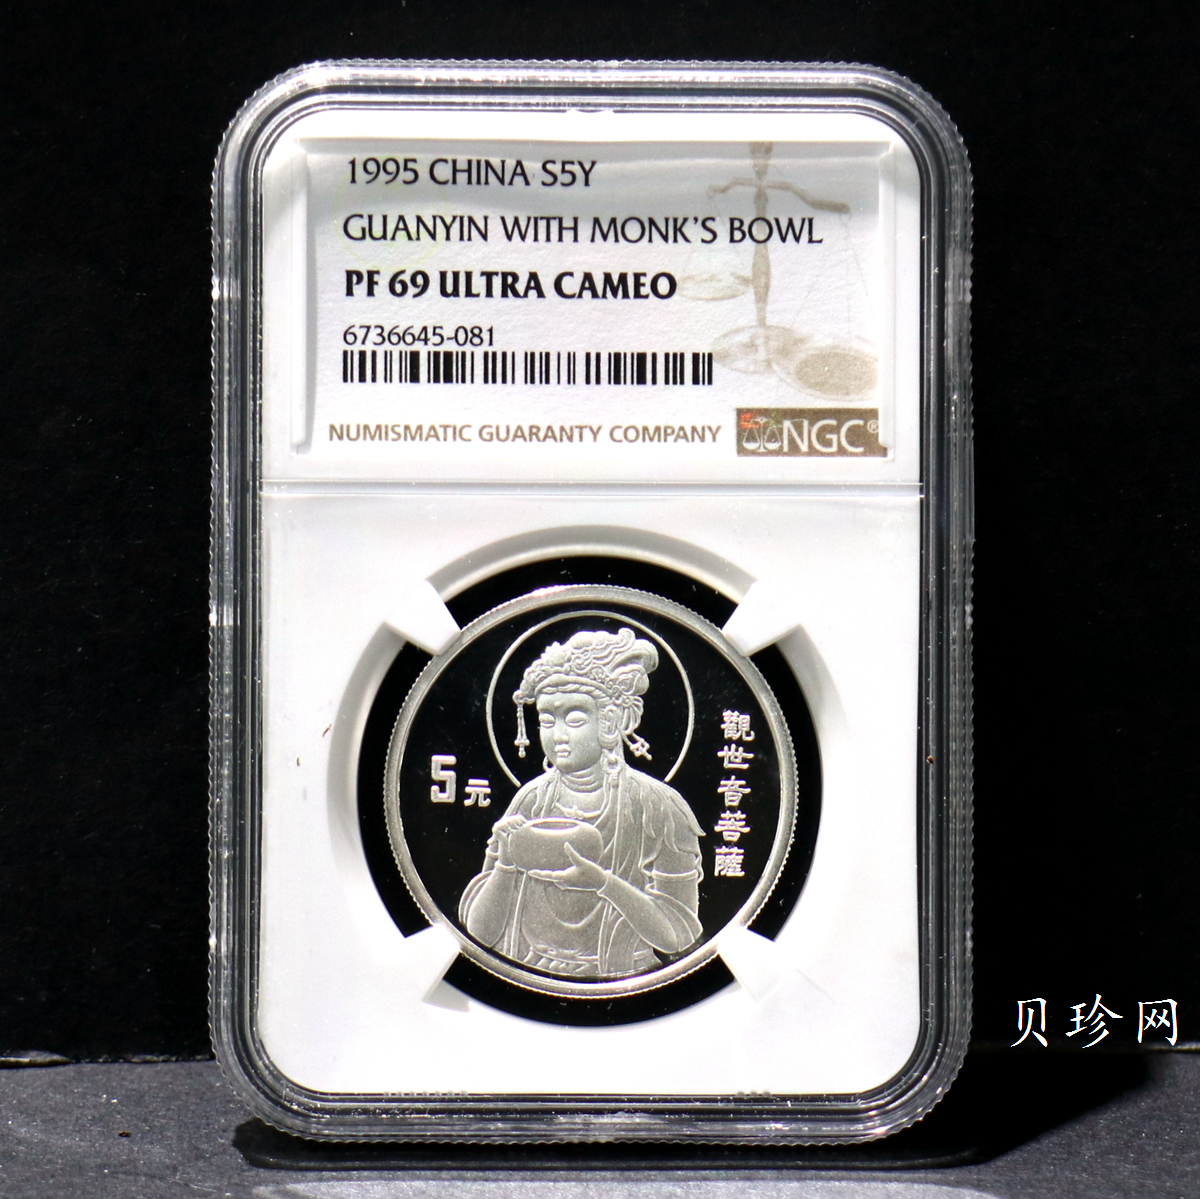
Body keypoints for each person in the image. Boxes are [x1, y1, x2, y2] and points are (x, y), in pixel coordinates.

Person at [459, 627, 704, 978]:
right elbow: (479, 933)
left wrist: (604, 884)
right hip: (526, 974)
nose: (558, 736)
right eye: (546, 720)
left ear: (611, 721)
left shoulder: (658, 808)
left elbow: (679, 937)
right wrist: (505, 864)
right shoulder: (531, 801)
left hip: (626, 979)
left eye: (575, 719)